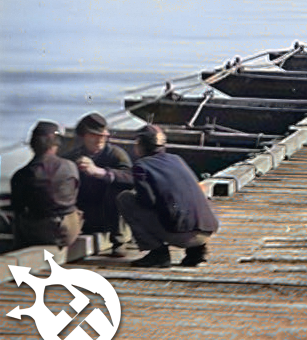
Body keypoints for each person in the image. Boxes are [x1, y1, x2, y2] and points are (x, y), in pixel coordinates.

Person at [117, 125, 219, 267]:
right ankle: (196, 253)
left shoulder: (141, 166)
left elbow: (147, 201)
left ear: (140, 145)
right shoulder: (177, 159)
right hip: (207, 231)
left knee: (125, 199)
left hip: (181, 235)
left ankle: (158, 254)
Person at [63, 113, 133, 257]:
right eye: (94, 135)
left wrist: (99, 172)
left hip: (112, 216)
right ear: (84, 136)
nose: (99, 139)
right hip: (85, 214)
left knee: (118, 190)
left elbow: (131, 178)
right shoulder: (73, 157)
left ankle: (119, 241)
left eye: (102, 136)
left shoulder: (116, 154)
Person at [11, 121, 83, 248]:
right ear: (56, 144)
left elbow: (18, 209)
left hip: (39, 235)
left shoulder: (20, 175)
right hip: (68, 232)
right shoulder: (70, 166)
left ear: (32, 145)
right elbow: (75, 193)